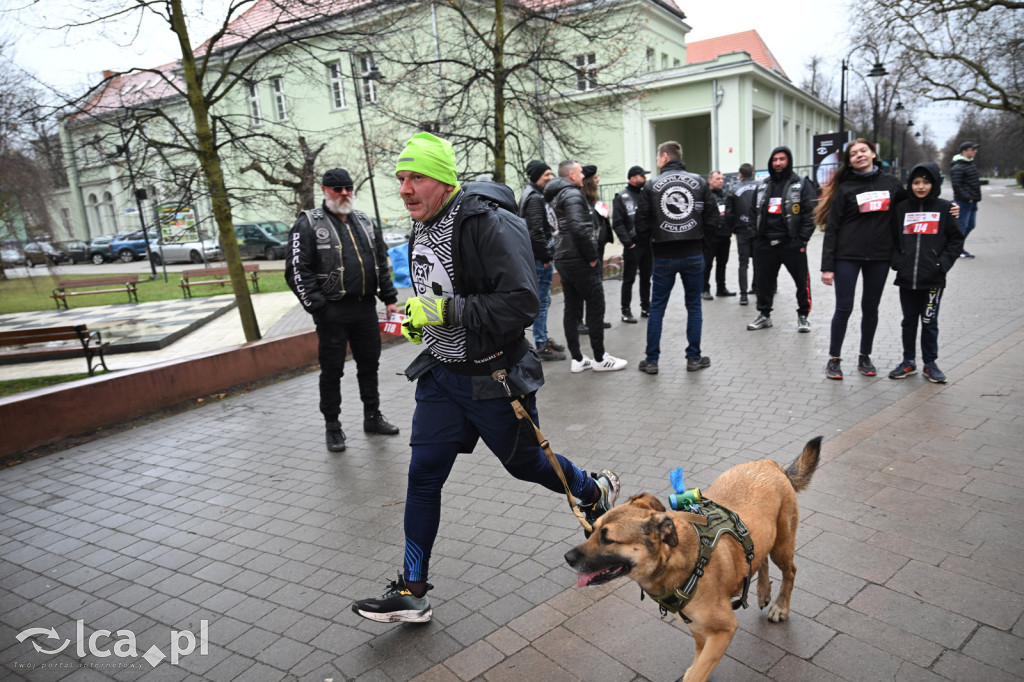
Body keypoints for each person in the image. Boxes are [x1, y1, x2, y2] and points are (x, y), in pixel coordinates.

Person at [350, 132, 620, 623]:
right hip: (442, 377)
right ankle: (413, 591)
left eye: (417, 178)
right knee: (422, 476)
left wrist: (444, 310)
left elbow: (523, 303)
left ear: (444, 180)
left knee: (527, 466)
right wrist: (420, 321)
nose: (405, 188)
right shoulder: (420, 226)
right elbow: (438, 291)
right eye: (401, 179)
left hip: (494, 378)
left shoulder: (488, 224)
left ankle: (590, 487)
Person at [285, 168, 401, 452]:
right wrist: (319, 308)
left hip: (364, 308)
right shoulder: (309, 223)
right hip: (332, 312)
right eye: (338, 189)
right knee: (332, 371)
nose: (345, 194)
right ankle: (333, 427)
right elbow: (297, 271)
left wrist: (389, 297)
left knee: (369, 365)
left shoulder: (364, 221)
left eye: (348, 188)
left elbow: (380, 262)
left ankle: (372, 416)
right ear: (325, 190)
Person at [815, 139, 906, 380]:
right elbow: (832, 228)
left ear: (873, 153)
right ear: (849, 161)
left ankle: (864, 357)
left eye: (863, 151)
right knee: (843, 308)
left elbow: (912, 207)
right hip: (847, 256)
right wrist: (827, 267)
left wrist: (947, 208)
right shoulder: (845, 188)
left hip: (880, 257)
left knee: (870, 308)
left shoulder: (892, 184)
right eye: (853, 154)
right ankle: (834, 360)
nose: (859, 155)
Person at [634, 140, 718, 375]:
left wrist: (650, 249)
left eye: (658, 157)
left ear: (664, 157)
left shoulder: (651, 186)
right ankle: (694, 358)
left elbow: (641, 224)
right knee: (694, 306)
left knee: (657, 307)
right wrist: (704, 247)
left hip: (663, 255)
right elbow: (712, 220)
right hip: (693, 253)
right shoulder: (700, 182)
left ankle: (651, 360)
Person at [546, 160, 628, 372]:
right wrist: (591, 257)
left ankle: (578, 359)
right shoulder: (571, 195)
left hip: (563, 259)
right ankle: (600, 359)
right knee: (595, 305)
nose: (584, 176)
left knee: (571, 308)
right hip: (578, 259)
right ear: (572, 175)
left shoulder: (554, 197)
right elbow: (578, 229)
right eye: (581, 172)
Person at [888, 162, 964, 383]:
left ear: (934, 184)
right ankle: (908, 361)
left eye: (926, 182)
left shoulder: (944, 208)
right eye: (916, 182)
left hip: (933, 280)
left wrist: (942, 265)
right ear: (910, 184)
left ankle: (930, 364)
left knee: (929, 322)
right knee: (908, 322)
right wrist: (898, 262)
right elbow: (893, 238)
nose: (921, 187)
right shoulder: (901, 209)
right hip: (906, 279)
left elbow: (956, 240)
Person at [746, 146, 816, 334]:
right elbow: (753, 212)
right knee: (763, 283)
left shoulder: (800, 184)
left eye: (782, 159)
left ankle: (803, 316)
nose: (778, 163)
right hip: (764, 244)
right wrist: (755, 237)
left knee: (802, 282)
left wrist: (802, 238)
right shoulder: (762, 185)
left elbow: (811, 213)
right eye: (775, 159)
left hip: (791, 243)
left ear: (789, 161)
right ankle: (764, 315)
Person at [519, 160, 566, 361]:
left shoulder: (531, 194)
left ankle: (543, 338)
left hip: (536, 256)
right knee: (542, 301)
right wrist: (546, 256)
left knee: (542, 301)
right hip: (539, 259)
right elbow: (535, 231)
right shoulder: (535, 199)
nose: (550, 177)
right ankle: (541, 344)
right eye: (546, 174)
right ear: (536, 176)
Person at [612, 165, 652, 322]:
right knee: (629, 279)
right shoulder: (621, 197)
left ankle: (646, 308)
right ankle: (625, 311)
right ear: (633, 178)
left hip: (647, 245)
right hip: (633, 246)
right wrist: (629, 243)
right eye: (642, 176)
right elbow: (618, 223)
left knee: (646, 278)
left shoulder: (645, 195)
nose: (645, 178)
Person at [581, 164, 614, 332]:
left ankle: (595, 319)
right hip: (588, 252)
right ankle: (584, 322)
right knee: (588, 286)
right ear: (588, 181)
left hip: (598, 249)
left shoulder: (594, 200)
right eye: (595, 178)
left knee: (596, 286)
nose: (598, 180)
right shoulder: (582, 201)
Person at [725, 163, 758, 305]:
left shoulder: (733, 189)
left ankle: (743, 295)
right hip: (757, 229)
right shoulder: (761, 187)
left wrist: (735, 228)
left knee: (743, 263)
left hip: (742, 229)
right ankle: (757, 288)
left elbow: (729, 213)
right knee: (758, 261)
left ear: (740, 175)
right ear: (752, 173)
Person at [702, 170, 735, 300]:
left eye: (722, 179)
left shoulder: (726, 194)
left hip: (725, 235)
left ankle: (721, 288)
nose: (721, 181)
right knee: (707, 264)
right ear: (710, 180)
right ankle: (704, 289)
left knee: (722, 263)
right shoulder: (705, 195)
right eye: (717, 179)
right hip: (710, 236)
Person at [950, 141, 981, 258]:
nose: (975, 151)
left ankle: (957, 247)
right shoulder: (958, 166)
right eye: (972, 149)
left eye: (975, 149)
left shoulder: (970, 164)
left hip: (972, 201)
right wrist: (967, 198)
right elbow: (956, 185)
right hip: (963, 202)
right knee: (961, 227)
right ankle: (957, 249)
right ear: (964, 151)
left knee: (971, 225)